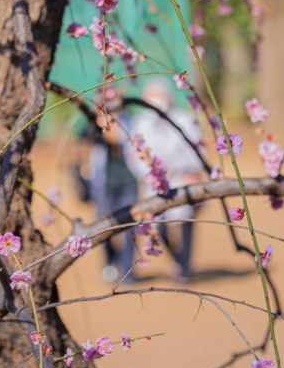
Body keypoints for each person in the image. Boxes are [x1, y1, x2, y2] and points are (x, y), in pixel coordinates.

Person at [128, 80, 205, 281]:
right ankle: (177, 260)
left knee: (185, 222)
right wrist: (151, 173)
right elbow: (134, 156)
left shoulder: (184, 119)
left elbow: (196, 151)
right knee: (158, 225)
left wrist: (181, 168)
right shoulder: (140, 123)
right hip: (154, 184)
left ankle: (185, 267)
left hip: (182, 179)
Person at [80, 110, 139, 284]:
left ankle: (128, 269)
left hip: (128, 181)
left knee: (129, 227)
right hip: (104, 185)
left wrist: (111, 125)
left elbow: (117, 140)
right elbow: (84, 140)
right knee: (104, 227)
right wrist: (98, 124)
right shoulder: (94, 125)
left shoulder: (129, 122)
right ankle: (111, 263)